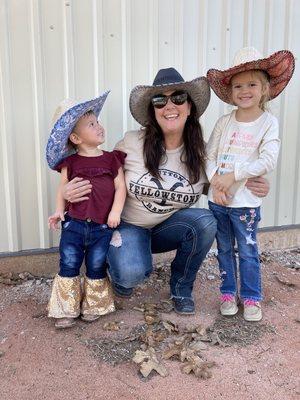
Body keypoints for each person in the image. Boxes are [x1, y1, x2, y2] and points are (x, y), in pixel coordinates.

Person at [61, 67, 270, 316]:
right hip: (129, 226)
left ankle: (181, 287)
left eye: (178, 98)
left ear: (190, 107)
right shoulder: (131, 143)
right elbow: (100, 174)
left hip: (167, 228)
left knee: (206, 221)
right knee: (130, 274)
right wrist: (69, 191)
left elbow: (222, 187)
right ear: (153, 111)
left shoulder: (202, 154)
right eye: (160, 101)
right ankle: (117, 270)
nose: (169, 106)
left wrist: (252, 184)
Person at [206, 47, 295, 321]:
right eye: (238, 86)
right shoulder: (224, 122)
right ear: (231, 92)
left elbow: (267, 159)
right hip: (218, 200)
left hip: (245, 202)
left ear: (265, 88)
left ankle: (252, 296)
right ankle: (227, 293)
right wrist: (217, 184)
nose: (245, 90)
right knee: (223, 248)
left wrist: (234, 176)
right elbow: (209, 155)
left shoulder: (268, 123)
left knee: (247, 249)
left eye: (252, 84)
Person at [46, 92, 127, 329]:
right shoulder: (70, 164)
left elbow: (120, 187)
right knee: (69, 262)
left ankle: (95, 305)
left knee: (96, 263)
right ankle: (67, 308)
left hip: (102, 225)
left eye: (97, 122)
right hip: (75, 223)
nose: (99, 126)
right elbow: (63, 189)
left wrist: (115, 212)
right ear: (76, 137)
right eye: (91, 124)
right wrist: (59, 211)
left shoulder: (112, 159)